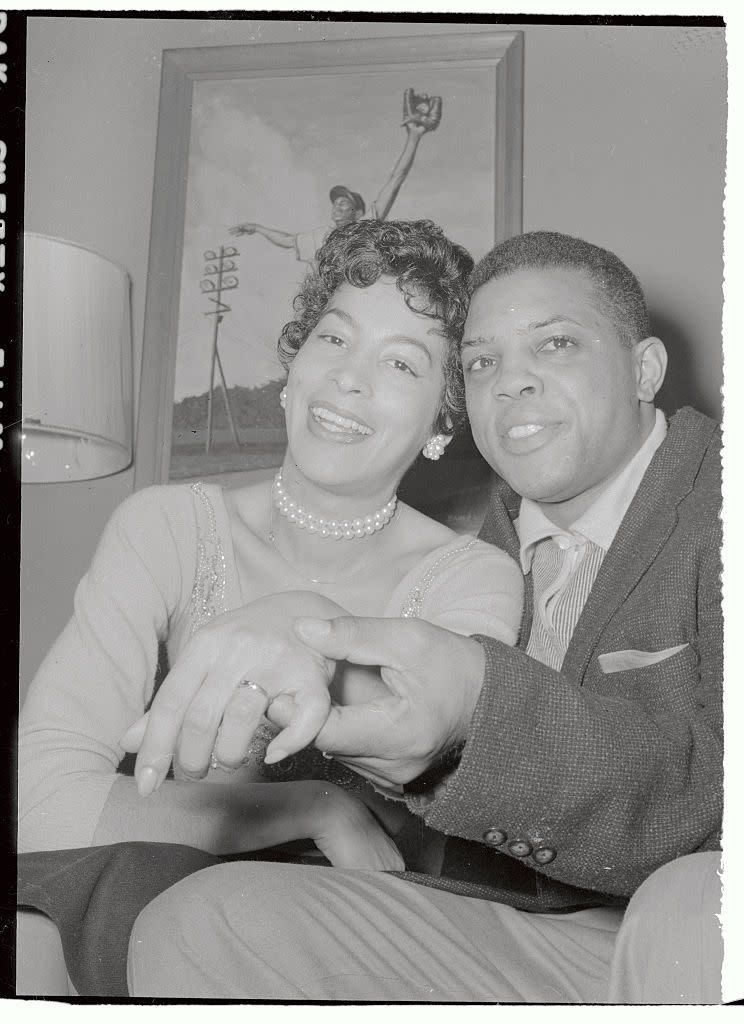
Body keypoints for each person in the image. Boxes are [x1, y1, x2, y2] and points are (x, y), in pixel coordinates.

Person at [126, 231, 723, 1003]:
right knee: (199, 922)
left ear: (644, 370)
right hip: (527, 933)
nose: (513, 383)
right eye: (481, 362)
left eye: (558, 344)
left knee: (701, 907)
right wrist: (312, 650)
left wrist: (477, 712)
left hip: (695, 929)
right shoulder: (470, 559)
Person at [17, 219, 524, 994]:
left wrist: (301, 623)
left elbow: (434, 769)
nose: (350, 378)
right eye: (333, 339)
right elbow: (39, 803)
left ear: (442, 423)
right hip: (141, 897)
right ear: (293, 366)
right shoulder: (161, 527)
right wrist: (315, 808)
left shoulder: (474, 578)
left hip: (353, 942)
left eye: (400, 362)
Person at [229, 87, 442, 263]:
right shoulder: (322, 237)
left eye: (344, 203)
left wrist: (414, 136)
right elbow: (287, 240)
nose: (337, 206)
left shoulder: (366, 225)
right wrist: (257, 228)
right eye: (336, 202)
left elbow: (396, 180)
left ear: (357, 212)